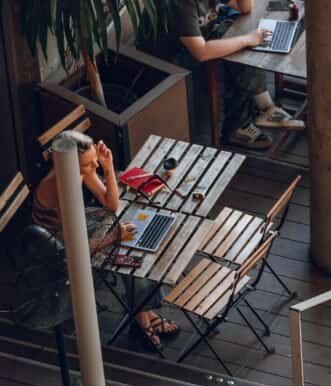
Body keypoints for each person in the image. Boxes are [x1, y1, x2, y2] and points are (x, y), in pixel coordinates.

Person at [31, 131, 177, 351]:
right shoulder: (58, 188)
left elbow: (110, 204)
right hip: (58, 247)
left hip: (81, 226)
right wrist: (113, 237)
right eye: (89, 165)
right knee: (130, 256)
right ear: (70, 166)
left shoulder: (79, 170)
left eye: (94, 162)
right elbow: (72, 250)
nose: (94, 168)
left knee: (137, 244)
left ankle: (143, 314)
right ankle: (142, 320)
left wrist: (108, 167)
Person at [138, 1, 303, 150]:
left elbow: (244, 7)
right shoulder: (179, 5)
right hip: (165, 64)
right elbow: (201, 52)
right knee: (233, 51)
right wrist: (246, 40)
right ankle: (237, 127)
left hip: (195, 42)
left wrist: (246, 39)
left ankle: (265, 107)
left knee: (235, 38)